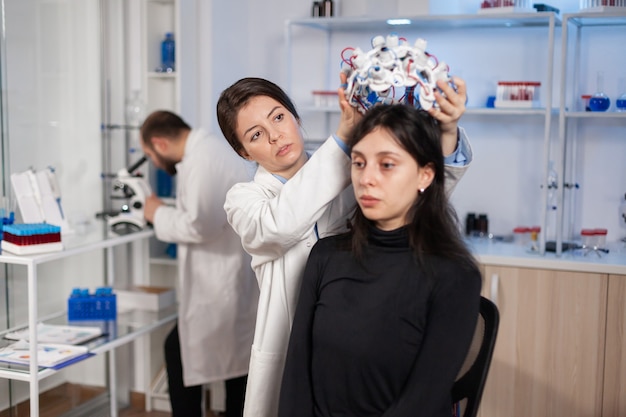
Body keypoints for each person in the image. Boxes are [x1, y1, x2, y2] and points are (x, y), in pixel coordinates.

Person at [216, 74, 471, 417]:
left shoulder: (348, 170)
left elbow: (419, 187)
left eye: (278, 116)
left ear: (295, 116)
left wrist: (448, 129)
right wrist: (342, 141)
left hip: (362, 345)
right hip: (299, 355)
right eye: (256, 135)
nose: (275, 135)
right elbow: (279, 225)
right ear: (243, 151)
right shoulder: (245, 200)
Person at [278, 104, 482, 416]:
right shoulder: (326, 256)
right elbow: (296, 376)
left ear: (425, 175)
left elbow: (423, 399)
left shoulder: (454, 274)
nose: (367, 178)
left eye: (387, 165)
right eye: (358, 163)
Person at [141, 110, 259, 417]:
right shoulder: (206, 151)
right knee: (236, 368)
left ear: (159, 143)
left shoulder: (202, 160)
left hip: (219, 282)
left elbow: (199, 226)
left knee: (187, 353)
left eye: (149, 155)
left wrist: (156, 213)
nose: (154, 163)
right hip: (226, 277)